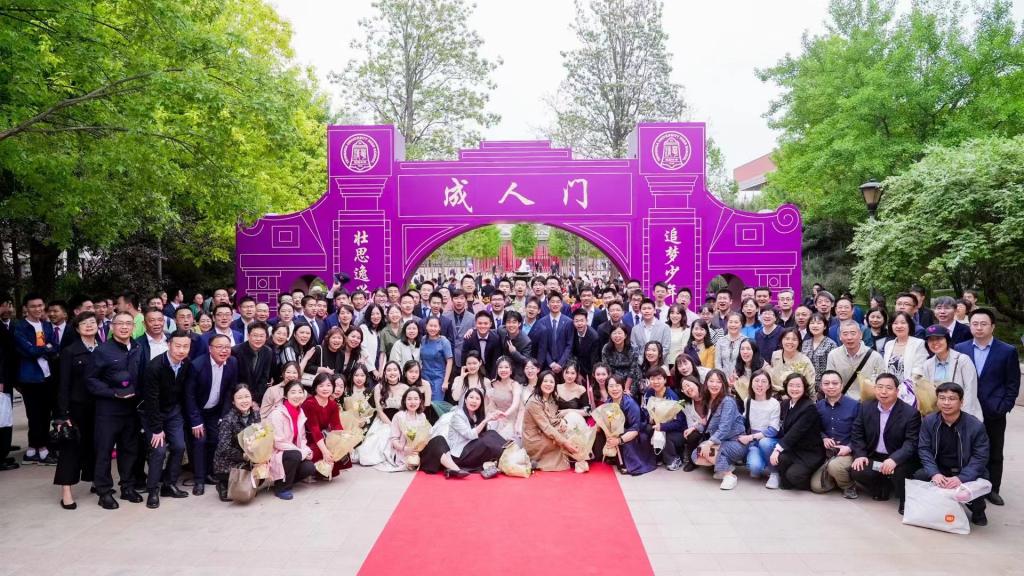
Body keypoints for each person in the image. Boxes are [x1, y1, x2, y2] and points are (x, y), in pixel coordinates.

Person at [954, 308, 1020, 506]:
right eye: (975, 324)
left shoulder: (1007, 351)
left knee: (994, 450)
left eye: (984, 324)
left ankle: (993, 489)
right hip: (966, 409)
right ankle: (969, 485)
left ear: (993, 327)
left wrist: (1004, 406)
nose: (979, 328)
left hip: (994, 410)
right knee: (966, 448)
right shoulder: (961, 348)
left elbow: (1013, 383)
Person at [87, 311, 142, 509]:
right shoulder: (102, 351)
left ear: (133, 327)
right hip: (108, 409)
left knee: (129, 450)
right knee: (104, 450)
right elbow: (91, 379)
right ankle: (104, 491)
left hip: (132, 409)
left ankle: (127, 487)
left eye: (128, 323)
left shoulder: (138, 348)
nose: (124, 327)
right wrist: (113, 393)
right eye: (120, 323)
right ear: (112, 327)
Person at [915, 382, 990, 526]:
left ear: (961, 402)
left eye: (952, 398)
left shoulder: (975, 426)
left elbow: (980, 457)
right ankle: (935, 506)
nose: (946, 403)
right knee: (920, 475)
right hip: (940, 469)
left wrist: (962, 478)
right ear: (937, 401)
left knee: (977, 484)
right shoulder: (929, 421)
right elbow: (924, 449)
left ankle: (978, 510)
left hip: (965, 469)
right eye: (942, 398)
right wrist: (934, 473)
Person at [850, 373, 921, 515]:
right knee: (858, 469)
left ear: (897, 391)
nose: (883, 392)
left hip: (898, 459)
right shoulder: (866, 407)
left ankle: (904, 500)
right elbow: (857, 433)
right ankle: (882, 485)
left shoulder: (910, 413)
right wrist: (860, 454)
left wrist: (895, 459)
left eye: (889, 388)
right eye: (880, 387)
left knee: (899, 472)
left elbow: (911, 442)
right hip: (876, 457)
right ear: (874, 389)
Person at [138, 330, 193, 509]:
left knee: (179, 446)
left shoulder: (186, 363)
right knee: (159, 450)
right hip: (152, 413)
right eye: (178, 346)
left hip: (173, 411)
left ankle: (169, 484)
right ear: (169, 345)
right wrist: (156, 429)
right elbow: (151, 400)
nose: (181, 350)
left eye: (186, 346)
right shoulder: (155, 366)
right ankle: (153, 489)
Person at [53, 312, 99, 509]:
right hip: (76, 408)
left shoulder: (103, 349)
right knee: (71, 448)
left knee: (97, 446)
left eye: (92, 322)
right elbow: (63, 385)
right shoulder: (70, 351)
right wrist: (62, 415)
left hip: (99, 408)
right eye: (84, 323)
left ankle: (97, 481)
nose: (89, 325)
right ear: (77, 328)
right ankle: (66, 491)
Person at [184, 334, 239, 496]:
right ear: (210, 349)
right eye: (219, 347)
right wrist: (195, 421)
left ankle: (209, 473)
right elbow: (189, 395)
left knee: (215, 440)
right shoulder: (197, 365)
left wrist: (223, 415)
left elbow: (230, 390)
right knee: (200, 441)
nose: (224, 351)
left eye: (227, 347)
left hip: (215, 411)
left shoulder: (232, 362)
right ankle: (199, 480)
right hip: (197, 410)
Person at [12, 293, 58, 465]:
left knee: (45, 414)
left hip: (47, 376)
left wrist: (43, 348)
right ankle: (40, 449)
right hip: (30, 378)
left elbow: (55, 347)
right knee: (34, 414)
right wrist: (46, 348)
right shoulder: (20, 327)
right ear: (26, 308)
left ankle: (34, 448)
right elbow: (28, 351)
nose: (37, 309)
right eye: (33, 306)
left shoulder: (46, 325)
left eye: (40, 305)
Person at [419, 388, 505, 478]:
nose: (474, 401)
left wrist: (492, 418)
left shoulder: (477, 416)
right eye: (471, 397)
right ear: (465, 400)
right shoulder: (457, 416)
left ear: (481, 402)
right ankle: (455, 469)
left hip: (470, 449)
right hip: (459, 454)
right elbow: (470, 435)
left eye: (477, 398)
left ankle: (506, 452)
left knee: (491, 433)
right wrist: (485, 420)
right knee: (486, 440)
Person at [770, 373, 826, 491]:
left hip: (810, 452)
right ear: (786, 387)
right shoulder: (785, 404)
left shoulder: (809, 407)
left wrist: (777, 449)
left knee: (793, 476)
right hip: (794, 449)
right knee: (784, 478)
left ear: (804, 388)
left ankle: (814, 476)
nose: (794, 389)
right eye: (791, 385)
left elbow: (796, 431)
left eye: (798, 386)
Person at [692, 369, 746, 489]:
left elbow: (724, 428)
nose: (714, 384)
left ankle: (729, 475)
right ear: (706, 383)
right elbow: (709, 425)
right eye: (711, 381)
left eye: (718, 382)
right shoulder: (708, 400)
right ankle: (725, 465)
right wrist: (695, 427)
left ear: (723, 384)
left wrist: (709, 443)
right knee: (696, 454)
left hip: (736, 442)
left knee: (710, 450)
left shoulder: (728, 401)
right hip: (720, 442)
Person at [811, 370, 861, 499]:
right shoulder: (818, 407)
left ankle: (848, 486)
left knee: (835, 466)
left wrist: (849, 447)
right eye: (826, 383)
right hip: (828, 453)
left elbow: (862, 432)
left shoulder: (855, 406)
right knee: (817, 487)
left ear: (841, 385)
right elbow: (816, 428)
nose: (831, 386)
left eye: (835, 383)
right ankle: (837, 478)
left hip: (849, 452)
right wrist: (824, 438)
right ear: (821, 386)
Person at [523, 371, 584, 472]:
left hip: (545, 432)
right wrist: (565, 443)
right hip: (535, 439)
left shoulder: (551, 397)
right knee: (567, 432)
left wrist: (562, 421)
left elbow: (552, 418)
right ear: (539, 383)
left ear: (555, 384)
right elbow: (546, 427)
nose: (548, 384)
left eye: (551, 382)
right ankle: (579, 457)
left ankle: (581, 456)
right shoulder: (534, 402)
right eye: (545, 381)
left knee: (573, 420)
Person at [921, 324, 983, 421]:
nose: (935, 343)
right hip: (940, 417)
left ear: (947, 339)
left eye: (939, 339)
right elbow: (929, 395)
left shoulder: (963, 360)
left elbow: (970, 391)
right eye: (931, 340)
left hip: (964, 415)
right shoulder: (927, 364)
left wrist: (963, 418)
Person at [267, 381, 315, 499]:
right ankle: (281, 488)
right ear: (285, 395)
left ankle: (285, 480)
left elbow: (302, 438)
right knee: (294, 455)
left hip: (293, 453)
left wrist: (306, 450)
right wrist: (300, 452)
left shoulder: (300, 412)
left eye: (300, 392)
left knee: (309, 467)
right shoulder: (277, 414)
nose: (297, 395)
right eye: (293, 392)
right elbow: (278, 442)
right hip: (277, 453)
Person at [214, 384, 261, 501]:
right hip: (228, 461)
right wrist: (243, 456)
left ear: (252, 398)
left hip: (248, 457)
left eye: (247, 396)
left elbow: (260, 437)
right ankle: (223, 483)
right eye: (239, 398)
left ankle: (241, 482)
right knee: (244, 480)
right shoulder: (228, 420)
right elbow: (224, 448)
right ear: (233, 402)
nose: (244, 400)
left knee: (262, 471)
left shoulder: (256, 415)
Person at [739, 370, 780, 487]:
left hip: (769, 440)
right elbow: (744, 419)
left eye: (764, 381)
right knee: (754, 468)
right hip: (754, 442)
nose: (760, 384)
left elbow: (773, 430)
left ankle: (774, 473)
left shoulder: (774, 403)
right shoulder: (748, 401)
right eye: (756, 381)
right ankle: (762, 463)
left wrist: (750, 437)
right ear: (751, 384)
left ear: (769, 385)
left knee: (764, 443)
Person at [302, 373, 348, 478]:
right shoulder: (310, 403)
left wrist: (343, 442)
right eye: (321, 385)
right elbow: (314, 429)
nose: (325, 388)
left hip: (323, 436)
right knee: (320, 452)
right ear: (315, 387)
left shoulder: (333, 404)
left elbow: (337, 425)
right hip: (309, 438)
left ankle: (325, 468)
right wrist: (325, 451)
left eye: (328, 385)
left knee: (338, 447)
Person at [826, 320, 885, 401]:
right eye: (845, 334)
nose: (849, 337)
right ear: (840, 336)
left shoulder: (875, 357)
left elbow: (882, 383)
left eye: (853, 333)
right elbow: (830, 381)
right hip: (842, 402)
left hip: (867, 402)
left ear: (860, 335)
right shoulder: (833, 355)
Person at [641, 368, 686, 471]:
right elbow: (644, 410)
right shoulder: (648, 393)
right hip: (656, 425)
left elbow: (681, 422)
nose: (655, 382)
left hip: (676, 431)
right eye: (652, 379)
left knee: (666, 434)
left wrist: (663, 426)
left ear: (665, 380)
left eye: (659, 378)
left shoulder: (674, 396)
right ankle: (656, 457)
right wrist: (649, 418)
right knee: (647, 429)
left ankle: (674, 459)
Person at [381, 388, 430, 472]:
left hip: (418, 450)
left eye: (416, 399)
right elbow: (394, 439)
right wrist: (405, 449)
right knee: (412, 463)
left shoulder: (422, 416)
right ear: (404, 401)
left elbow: (425, 436)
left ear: (420, 401)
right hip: (402, 450)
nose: (413, 402)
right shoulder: (398, 416)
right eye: (409, 399)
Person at [232, 321, 272, 404]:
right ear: (248, 335)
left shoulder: (268, 351)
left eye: (262, 336)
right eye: (255, 335)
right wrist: (246, 398)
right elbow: (234, 379)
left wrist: (255, 400)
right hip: (239, 396)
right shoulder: (236, 351)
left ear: (266, 337)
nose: (258, 339)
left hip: (257, 397)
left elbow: (264, 378)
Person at [882, 312, 927, 384]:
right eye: (895, 323)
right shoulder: (888, 344)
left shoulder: (919, 343)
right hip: (889, 388)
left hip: (910, 387)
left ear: (909, 325)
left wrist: (904, 388)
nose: (899, 326)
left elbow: (918, 371)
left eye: (903, 323)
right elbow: (885, 369)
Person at [485, 357, 522, 441]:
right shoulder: (493, 384)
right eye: (500, 367)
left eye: (506, 367)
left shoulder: (514, 385)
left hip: (511, 419)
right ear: (497, 370)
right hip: (496, 417)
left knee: (503, 440)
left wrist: (505, 414)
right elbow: (490, 403)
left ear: (511, 370)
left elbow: (515, 404)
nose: (503, 370)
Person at [770, 328, 815, 393]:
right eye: (787, 339)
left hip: (797, 395)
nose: (790, 342)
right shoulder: (775, 355)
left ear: (799, 342)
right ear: (781, 340)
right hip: (776, 394)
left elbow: (810, 384)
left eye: (794, 339)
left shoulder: (805, 360)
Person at [420, 316, 453, 405]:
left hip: (438, 378)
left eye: (435, 326)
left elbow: (449, 361)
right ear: (426, 326)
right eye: (430, 326)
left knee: (436, 404)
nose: (433, 328)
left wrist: (445, 381)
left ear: (439, 328)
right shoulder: (423, 339)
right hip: (424, 377)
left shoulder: (444, 341)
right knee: (424, 404)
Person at [602, 325, 639, 397]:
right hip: (614, 376)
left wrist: (626, 388)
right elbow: (607, 368)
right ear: (610, 335)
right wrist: (614, 383)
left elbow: (633, 369)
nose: (617, 336)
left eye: (619, 333)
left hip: (631, 377)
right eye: (614, 333)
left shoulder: (633, 348)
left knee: (628, 396)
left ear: (625, 335)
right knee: (614, 393)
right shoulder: (606, 348)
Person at [680, 377, 707, 471]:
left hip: (713, 429)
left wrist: (697, 425)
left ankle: (711, 459)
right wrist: (695, 427)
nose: (687, 389)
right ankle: (693, 461)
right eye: (684, 388)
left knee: (711, 465)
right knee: (691, 435)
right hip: (699, 430)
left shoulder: (708, 397)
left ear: (696, 383)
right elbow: (690, 424)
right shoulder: (686, 404)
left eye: (688, 385)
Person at [498, 310, 532, 382]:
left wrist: (514, 352)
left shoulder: (526, 341)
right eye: (508, 322)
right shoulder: (501, 330)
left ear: (519, 324)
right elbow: (492, 331)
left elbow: (526, 361)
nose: (511, 325)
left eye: (514, 322)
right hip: (503, 367)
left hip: (517, 371)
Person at [714, 312, 744, 378]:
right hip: (723, 378)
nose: (733, 325)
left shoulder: (746, 341)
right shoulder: (720, 341)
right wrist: (723, 377)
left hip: (740, 378)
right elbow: (717, 362)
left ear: (741, 325)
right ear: (727, 324)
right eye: (730, 322)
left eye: (736, 322)